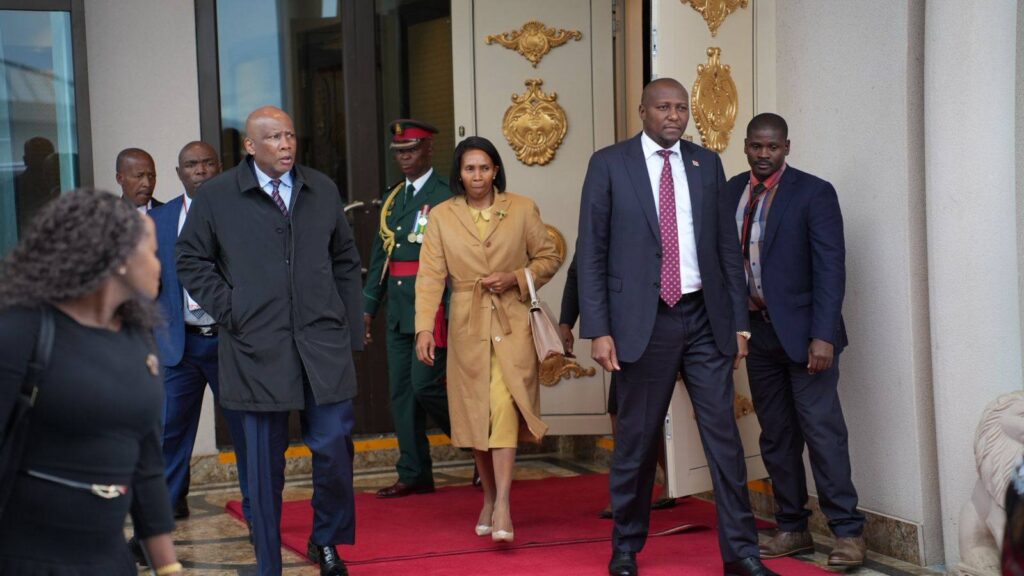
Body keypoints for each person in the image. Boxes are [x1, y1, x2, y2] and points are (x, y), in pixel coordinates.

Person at [577, 78, 774, 576]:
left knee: (723, 437)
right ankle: (625, 547)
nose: (674, 115)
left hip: (704, 318)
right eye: (663, 107)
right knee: (637, 442)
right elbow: (591, 253)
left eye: (681, 108)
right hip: (643, 325)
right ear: (642, 110)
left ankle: (742, 554)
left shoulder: (706, 164)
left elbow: (726, 251)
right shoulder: (609, 164)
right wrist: (598, 329)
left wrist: (738, 325)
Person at [176, 106, 362, 576]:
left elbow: (344, 257)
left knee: (335, 446)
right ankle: (267, 561)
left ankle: (325, 542)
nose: (286, 145)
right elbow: (191, 259)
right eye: (274, 137)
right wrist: (232, 309)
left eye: (290, 136)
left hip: (321, 344)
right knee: (261, 466)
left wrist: (346, 315)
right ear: (250, 146)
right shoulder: (217, 195)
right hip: (254, 347)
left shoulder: (321, 188)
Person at [0, 189, 182, 575]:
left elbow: (147, 464)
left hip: (107, 560)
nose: (159, 263)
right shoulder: (23, 329)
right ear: (117, 258)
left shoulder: (137, 336)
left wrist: (170, 568)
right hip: (26, 558)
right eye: (150, 251)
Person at [727, 113, 866, 567]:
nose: (763, 155)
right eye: (756, 147)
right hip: (758, 334)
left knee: (823, 434)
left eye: (773, 147)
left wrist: (823, 336)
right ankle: (792, 528)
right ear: (745, 145)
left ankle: (847, 532)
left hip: (808, 338)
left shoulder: (814, 192)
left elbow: (831, 268)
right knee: (777, 436)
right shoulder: (731, 192)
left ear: (787, 146)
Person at [415, 136, 562, 544]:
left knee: (503, 407)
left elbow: (548, 257)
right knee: (476, 415)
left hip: (511, 321)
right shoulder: (443, 216)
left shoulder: (521, 208)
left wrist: (515, 277)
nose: (476, 176)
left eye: (484, 168)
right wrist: (425, 328)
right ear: (458, 174)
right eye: (468, 169)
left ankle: (503, 505)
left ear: (496, 170)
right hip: (466, 325)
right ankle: (489, 497)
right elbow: (429, 277)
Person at [150, 141, 252, 529]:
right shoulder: (161, 219)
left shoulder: (243, 214)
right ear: (179, 173)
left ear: (220, 168)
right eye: (191, 165)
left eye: (208, 163)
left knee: (248, 434)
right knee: (168, 436)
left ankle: (257, 516)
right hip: (181, 345)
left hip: (231, 343)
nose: (201, 170)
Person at [363, 119, 453, 499]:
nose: (405, 157)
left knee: (424, 385)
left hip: (431, 309)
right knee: (401, 392)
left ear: (429, 150)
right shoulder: (393, 198)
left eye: (412, 150)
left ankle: (482, 447)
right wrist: (368, 307)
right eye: (399, 152)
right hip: (400, 309)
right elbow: (380, 255)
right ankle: (414, 471)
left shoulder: (446, 195)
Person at [558, 254, 676, 519]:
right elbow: (579, 271)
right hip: (628, 332)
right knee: (622, 413)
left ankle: (672, 481)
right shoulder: (598, 217)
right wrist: (567, 322)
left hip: (676, 320)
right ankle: (632, 492)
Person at [14, 136, 59, 234]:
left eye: (44, 156)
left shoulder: (59, 183)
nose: (41, 161)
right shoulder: (14, 187)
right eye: (36, 156)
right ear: (26, 160)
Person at [116, 147, 163, 213]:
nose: (147, 184)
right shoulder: (105, 218)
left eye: (152, 176)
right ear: (120, 179)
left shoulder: (170, 214)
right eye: (139, 176)